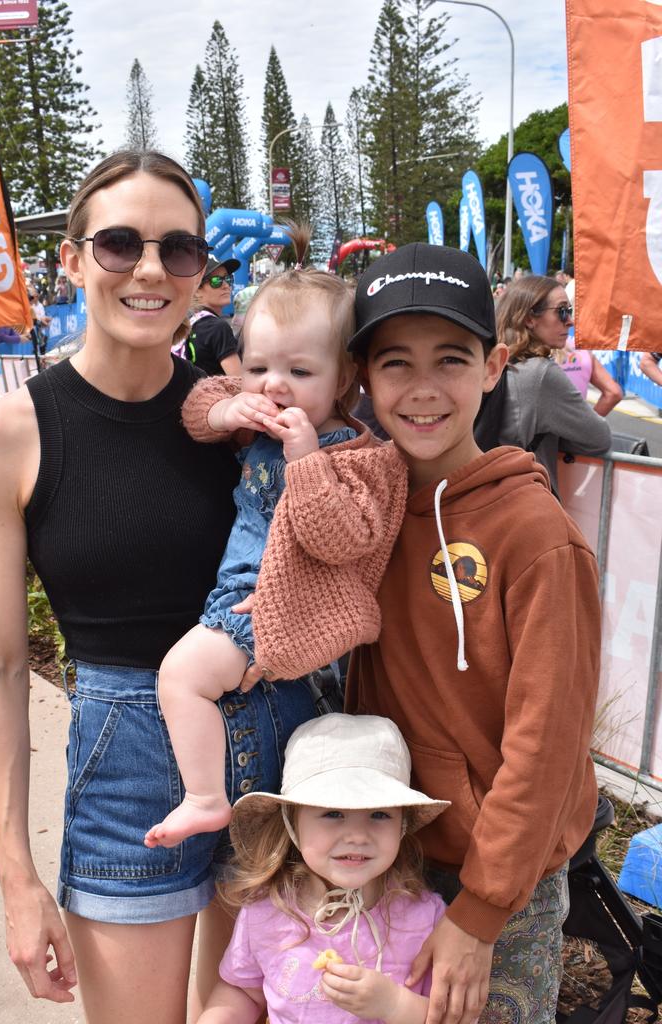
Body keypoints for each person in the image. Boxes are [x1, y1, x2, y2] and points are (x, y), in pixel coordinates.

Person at [0, 149, 319, 1024]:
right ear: (72, 259)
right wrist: (17, 876)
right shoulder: (10, 433)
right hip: (126, 766)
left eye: (179, 250)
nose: (151, 270)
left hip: (274, 742)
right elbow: (0, 665)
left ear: (204, 271)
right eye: (120, 244)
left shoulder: (239, 417)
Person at [318, 243, 600, 1024]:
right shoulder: (358, 510)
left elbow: (547, 744)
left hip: (498, 879)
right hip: (382, 853)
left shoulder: (535, 536)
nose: (422, 389)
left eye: (450, 358)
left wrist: (481, 912)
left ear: (494, 364)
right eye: (395, 363)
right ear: (364, 377)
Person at [144, 233, 363, 850]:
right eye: (259, 367)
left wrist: (304, 459)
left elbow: (340, 539)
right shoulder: (256, 421)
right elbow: (198, 404)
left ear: (344, 377)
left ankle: (205, 798)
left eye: (299, 371)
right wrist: (227, 413)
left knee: (181, 677)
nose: (273, 386)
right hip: (242, 602)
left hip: (270, 607)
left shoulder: (352, 452)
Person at [198, 714, 450, 1024]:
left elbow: (453, 1016)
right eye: (332, 813)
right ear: (292, 822)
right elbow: (242, 991)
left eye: (379, 814)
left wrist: (395, 1005)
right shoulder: (266, 910)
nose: (357, 835)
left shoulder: (424, 917)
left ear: (403, 823)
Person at [494, 274, 612, 495]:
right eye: (562, 311)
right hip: (526, 503)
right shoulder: (540, 374)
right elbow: (599, 438)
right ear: (530, 318)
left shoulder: (495, 364)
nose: (570, 320)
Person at [181, 255, 242, 375]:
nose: (226, 285)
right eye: (216, 281)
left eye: (228, 279)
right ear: (197, 290)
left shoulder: (186, 322)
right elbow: (239, 382)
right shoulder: (218, 328)